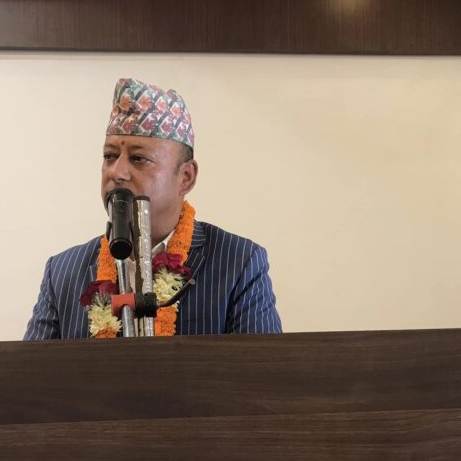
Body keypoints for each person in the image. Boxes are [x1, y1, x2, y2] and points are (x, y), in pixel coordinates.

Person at [24, 78, 281, 339]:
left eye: (138, 159)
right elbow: (32, 366)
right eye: (110, 156)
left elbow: (262, 364)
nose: (117, 172)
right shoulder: (62, 272)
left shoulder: (239, 263)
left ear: (186, 177)